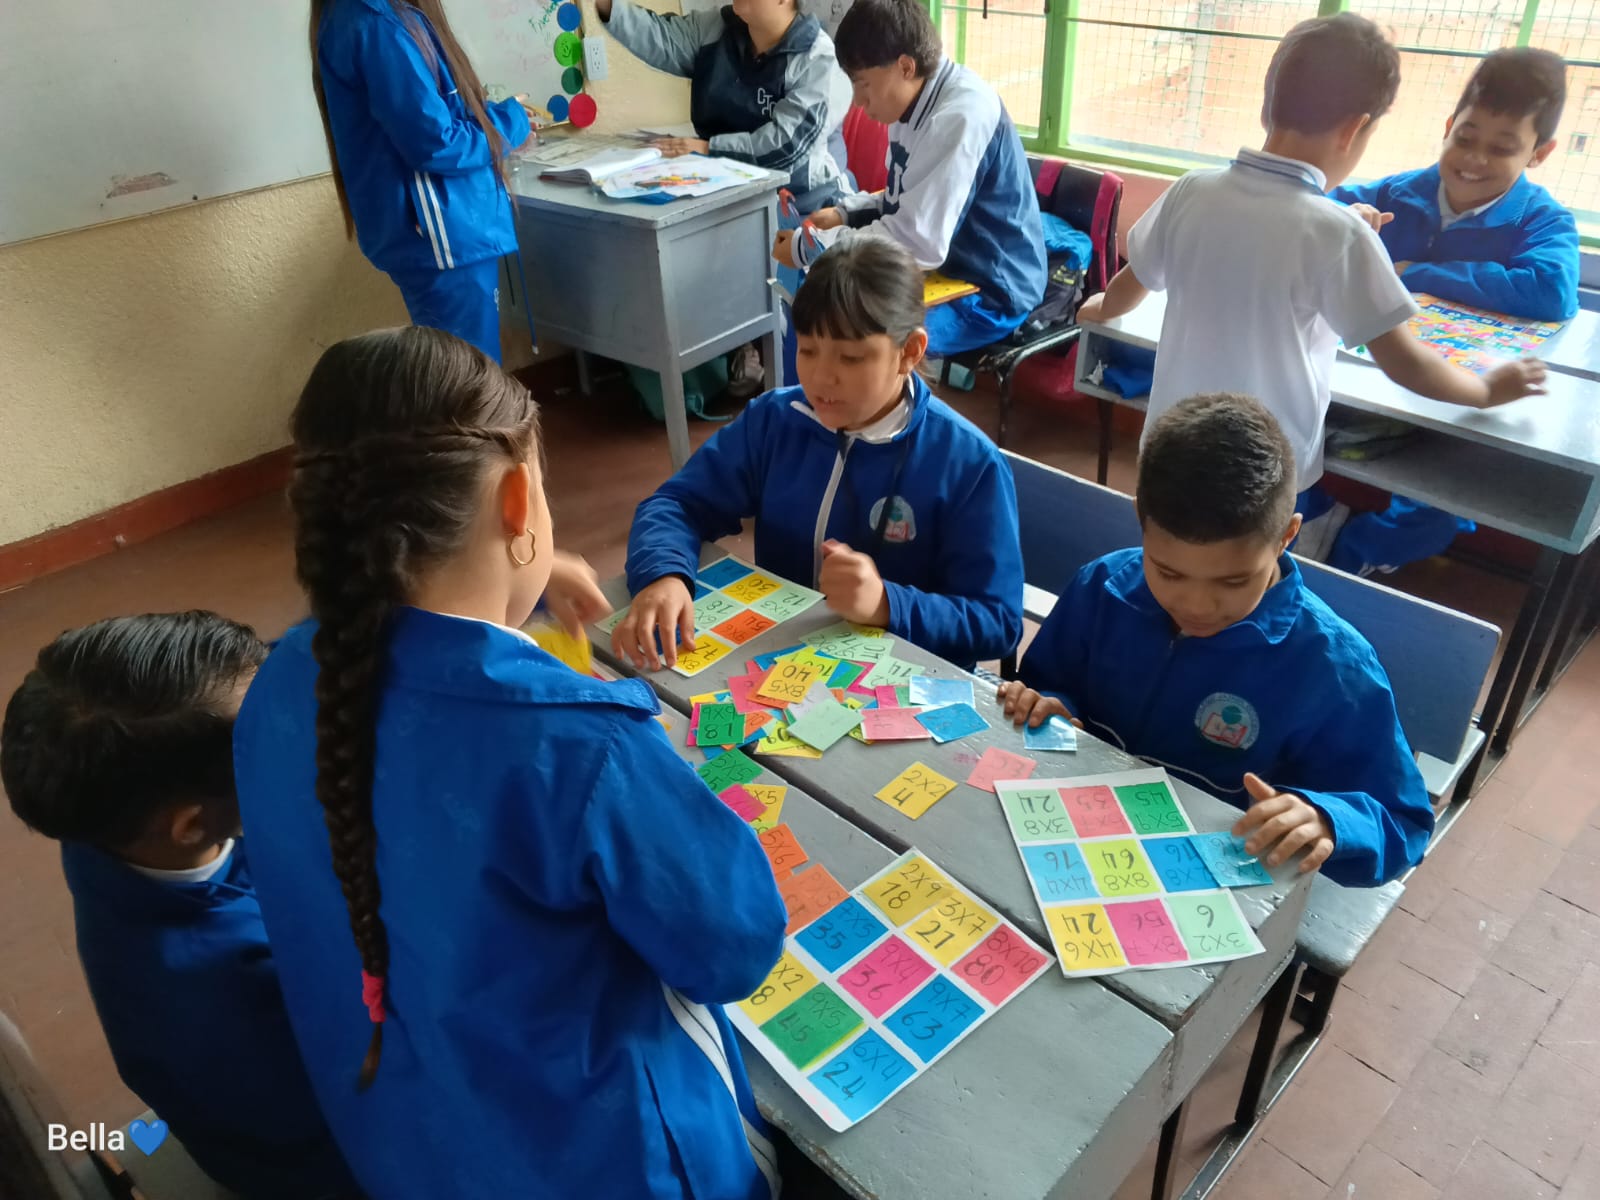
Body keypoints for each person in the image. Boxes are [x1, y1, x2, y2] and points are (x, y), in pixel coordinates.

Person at [232, 326, 787, 1200]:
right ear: (518, 500)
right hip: (611, 1168)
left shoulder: (275, 685)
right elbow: (735, 948)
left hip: (407, 1148)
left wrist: (519, 578)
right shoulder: (582, 744)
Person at [1076, 12, 1546, 550]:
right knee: (1245, 572)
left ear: (1267, 104)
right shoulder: (1339, 234)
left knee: (1167, 554)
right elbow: (1405, 363)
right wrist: (1485, 391)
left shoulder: (1191, 190)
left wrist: (1099, 309)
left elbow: (1132, 282)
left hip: (1172, 445)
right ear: (1354, 130)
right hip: (1266, 468)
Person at [998, 394, 1434, 888]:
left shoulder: (1334, 666)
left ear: (1287, 536)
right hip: (1077, 845)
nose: (1197, 605)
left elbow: (1405, 823)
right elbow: (1048, 682)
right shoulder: (1102, 588)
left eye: (1233, 581)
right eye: (1168, 572)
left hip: (1215, 882)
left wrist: (1328, 819)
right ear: (1142, 520)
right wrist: (1049, 704)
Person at [0, 613, 357, 1200]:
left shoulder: (108, 809)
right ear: (191, 825)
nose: (303, 732)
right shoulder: (219, 990)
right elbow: (364, 1099)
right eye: (274, 739)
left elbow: (254, 680)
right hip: (321, 1155)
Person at [616, 238, 1023, 670]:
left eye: (850, 358)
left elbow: (996, 621)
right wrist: (664, 574)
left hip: (899, 684)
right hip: (781, 666)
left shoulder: (968, 464)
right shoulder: (775, 421)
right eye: (807, 349)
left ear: (909, 352)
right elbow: (676, 503)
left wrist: (887, 604)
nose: (822, 377)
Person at [777, 0, 1047, 359]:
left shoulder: (961, 115)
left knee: (858, 335)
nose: (858, 102)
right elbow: (901, 199)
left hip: (991, 289)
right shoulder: (913, 102)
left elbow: (917, 242)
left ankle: (865, 399)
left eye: (863, 84)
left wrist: (809, 247)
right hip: (943, 269)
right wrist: (845, 213)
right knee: (820, 306)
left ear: (905, 66)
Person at [310, 0, 541, 362]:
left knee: (458, 373)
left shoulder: (359, 16)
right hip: (444, 234)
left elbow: (433, 119)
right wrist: (510, 124)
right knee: (469, 378)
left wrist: (498, 124)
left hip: (442, 232)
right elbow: (436, 143)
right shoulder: (378, 24)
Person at [1332, 47, 1579, 324]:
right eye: (1464, 140)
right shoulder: (1395, 194)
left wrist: (1421, 274)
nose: (1475, 158)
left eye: (1501, 149)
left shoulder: (1542, 220)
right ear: (1449, 128)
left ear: (1539, 153)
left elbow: (1552, 292)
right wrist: (1344, 216)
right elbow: (1312, 202)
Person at [597, 0, 852, 215]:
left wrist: (709, 149)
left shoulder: (819, 59)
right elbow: (660, 37)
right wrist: (607, 5)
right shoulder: (715, 28)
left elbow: (786, 147)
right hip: (722, 188)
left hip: (805, 206)